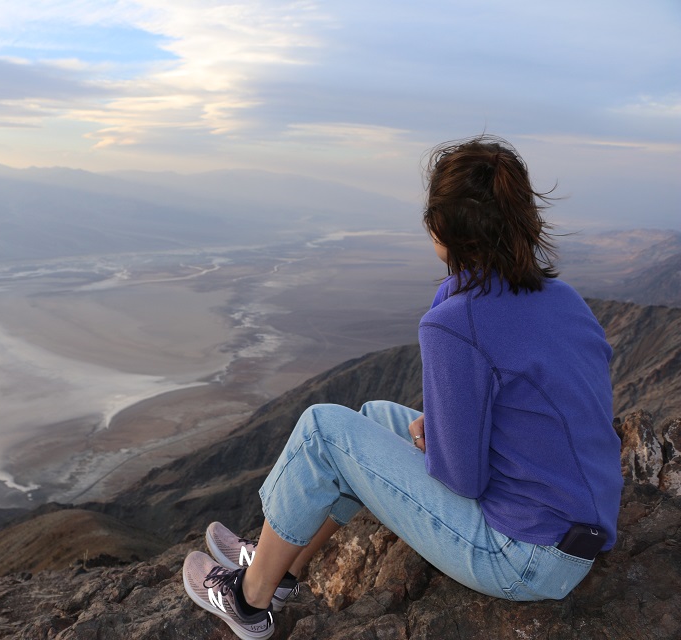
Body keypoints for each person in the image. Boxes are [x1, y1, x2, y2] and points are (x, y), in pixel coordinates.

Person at [181, 135, 624, 640]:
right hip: (575, 533)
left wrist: (441, 442)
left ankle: (248, 599)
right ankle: (281, 569)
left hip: (523, 555)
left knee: (323, 431)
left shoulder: (456, 325)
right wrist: (439, 432)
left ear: (438, 226)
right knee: (371, 416)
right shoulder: (562, 298)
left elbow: (462, 481)